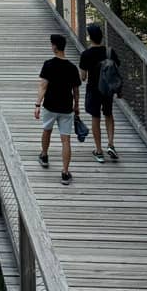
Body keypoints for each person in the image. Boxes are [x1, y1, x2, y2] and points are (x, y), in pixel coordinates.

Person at [35, 33, 81, 184]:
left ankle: (44, 155)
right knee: (65, 139)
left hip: (50, 106)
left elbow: (43, 86)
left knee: (47, 130)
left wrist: (37, 105)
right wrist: (76, 106)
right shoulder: (72, 68)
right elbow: (76, 90)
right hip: (66, 107)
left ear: (55, 47)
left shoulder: (48, 64)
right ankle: (65, 172)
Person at [79, 22, 121, 163]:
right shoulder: (109, 52)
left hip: (93, 89)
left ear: (90, 37)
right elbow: (116, 67)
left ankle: (98, 150)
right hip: (107, 90)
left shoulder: (86, 54)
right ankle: (111, 144)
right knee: (109, 115)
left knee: (95, 118)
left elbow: (83, 77)